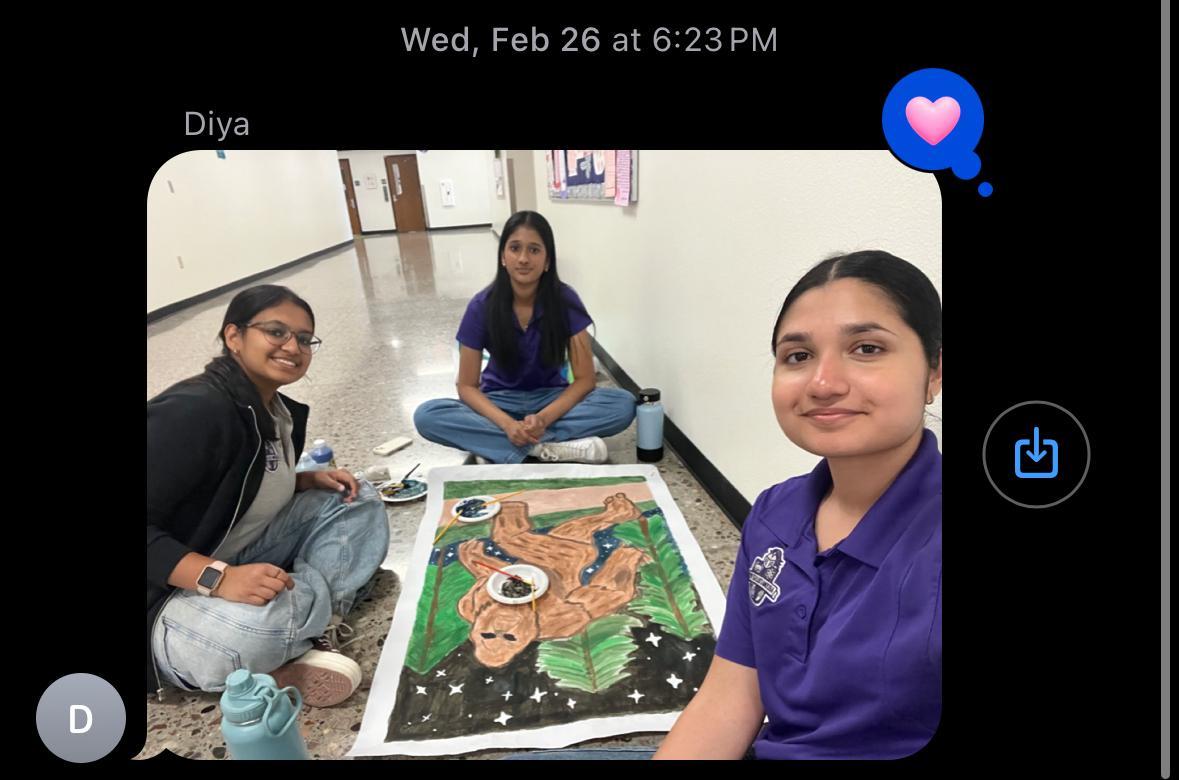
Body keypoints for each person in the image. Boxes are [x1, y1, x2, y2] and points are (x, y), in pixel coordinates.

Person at [654, 250, 943, 759]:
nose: (823, 384)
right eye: (798, 356)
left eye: (867, 348)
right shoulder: (774, 514)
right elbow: (729, 699)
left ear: (935, 372)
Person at [146, 284, 390, 707]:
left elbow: (230, 487)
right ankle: (300, 629)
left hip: (232, 549)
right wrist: (219, 579)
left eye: (304, 339)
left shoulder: (276, 411)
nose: (292, 347)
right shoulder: (194, 410)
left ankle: (304, 631)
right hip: (163, 594)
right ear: (234, 336)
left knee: (356, 497)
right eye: (276, 332)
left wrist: (303, 481)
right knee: (263, 631)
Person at [414, 211, 635, 464]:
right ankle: (544, 447)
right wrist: (507, 424)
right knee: (427, 415)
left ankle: (498, 447)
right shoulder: (481, 305)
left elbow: (585, 380)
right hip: (498, 401)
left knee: (623, 404)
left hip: (551, 399)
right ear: (503, 257)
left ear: (547, 260)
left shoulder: (565, 300)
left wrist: (543, 419)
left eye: (534, 250)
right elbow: (466, 386)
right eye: (515, 248)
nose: (523, 259)